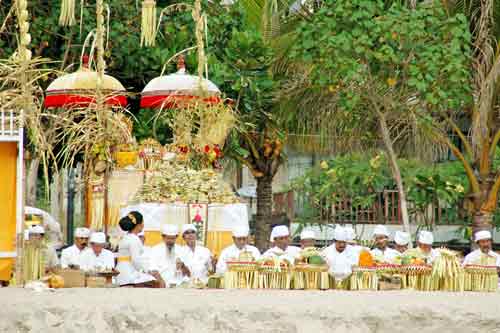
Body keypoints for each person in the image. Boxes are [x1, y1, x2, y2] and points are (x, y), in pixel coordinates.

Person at [116, 212, 159, 287]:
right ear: (138, 225)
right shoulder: (134, 239)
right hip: (129, 274)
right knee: (155, 281)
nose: (143, 225)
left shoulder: (125, 237)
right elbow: (136, 260)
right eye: (143, 222)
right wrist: (148, 271)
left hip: (120, 272)